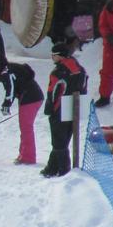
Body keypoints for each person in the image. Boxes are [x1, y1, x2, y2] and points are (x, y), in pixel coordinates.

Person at [41, 43, 87, 178]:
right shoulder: (79, 68)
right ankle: (52, 167)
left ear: (59, 56)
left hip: (60, 109)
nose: (52, 58)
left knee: (58, 140)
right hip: (76, 107)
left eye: (53, 55)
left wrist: (49, 107)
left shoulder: (57, 72)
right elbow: (84, 86)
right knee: (64, 138)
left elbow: (52, 92)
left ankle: (63, 169)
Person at [0, 55, 44, 165]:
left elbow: (11, 89)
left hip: (29, 99)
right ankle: (24, 154)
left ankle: (28, 157)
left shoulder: (6, 72)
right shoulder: (11, 68)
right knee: (25, 128)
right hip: (34, 97)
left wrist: (6, 105)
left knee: (26, 129)